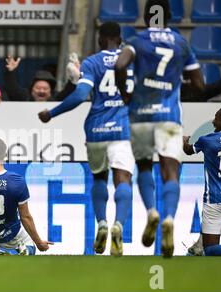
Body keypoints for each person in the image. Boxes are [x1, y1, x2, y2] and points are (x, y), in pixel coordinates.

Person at [115, 0, 205, 257]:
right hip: (169, 116)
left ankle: (151, 212)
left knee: (143, 166)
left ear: (145, 17)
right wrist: (179, 81)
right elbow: (199, 85)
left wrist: (125, 94)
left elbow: (120, 65)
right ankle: (168, 219)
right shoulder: (181, 43)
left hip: (141, 115)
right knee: (170, 172)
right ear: (170, 16)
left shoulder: (137, 40)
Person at [38, 22, 135, 257]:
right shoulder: (132, 59)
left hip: (96, 130)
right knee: (123, 179)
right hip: (122, 128)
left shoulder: (92, 62)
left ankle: (101, 223)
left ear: (100, 40)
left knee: (99, 178)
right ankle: (118, 225)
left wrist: (51, 113)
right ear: (119, 39)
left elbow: (80, 95)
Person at [183, 106, 221, 256]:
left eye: (216, 118)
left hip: (215, 200)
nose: (213, 121)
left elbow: (188, 150)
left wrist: (184, 141)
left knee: (210, 249)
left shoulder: (208, 139)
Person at [4, 56, 76, 102]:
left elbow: (68, 92)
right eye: (38, 88)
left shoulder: (56, 99)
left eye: (45, 89)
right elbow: (12, 90)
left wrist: (74, 77)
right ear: (32, 89)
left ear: (51, 91)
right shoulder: (25, 97)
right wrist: (11, 71)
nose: (41, 91)